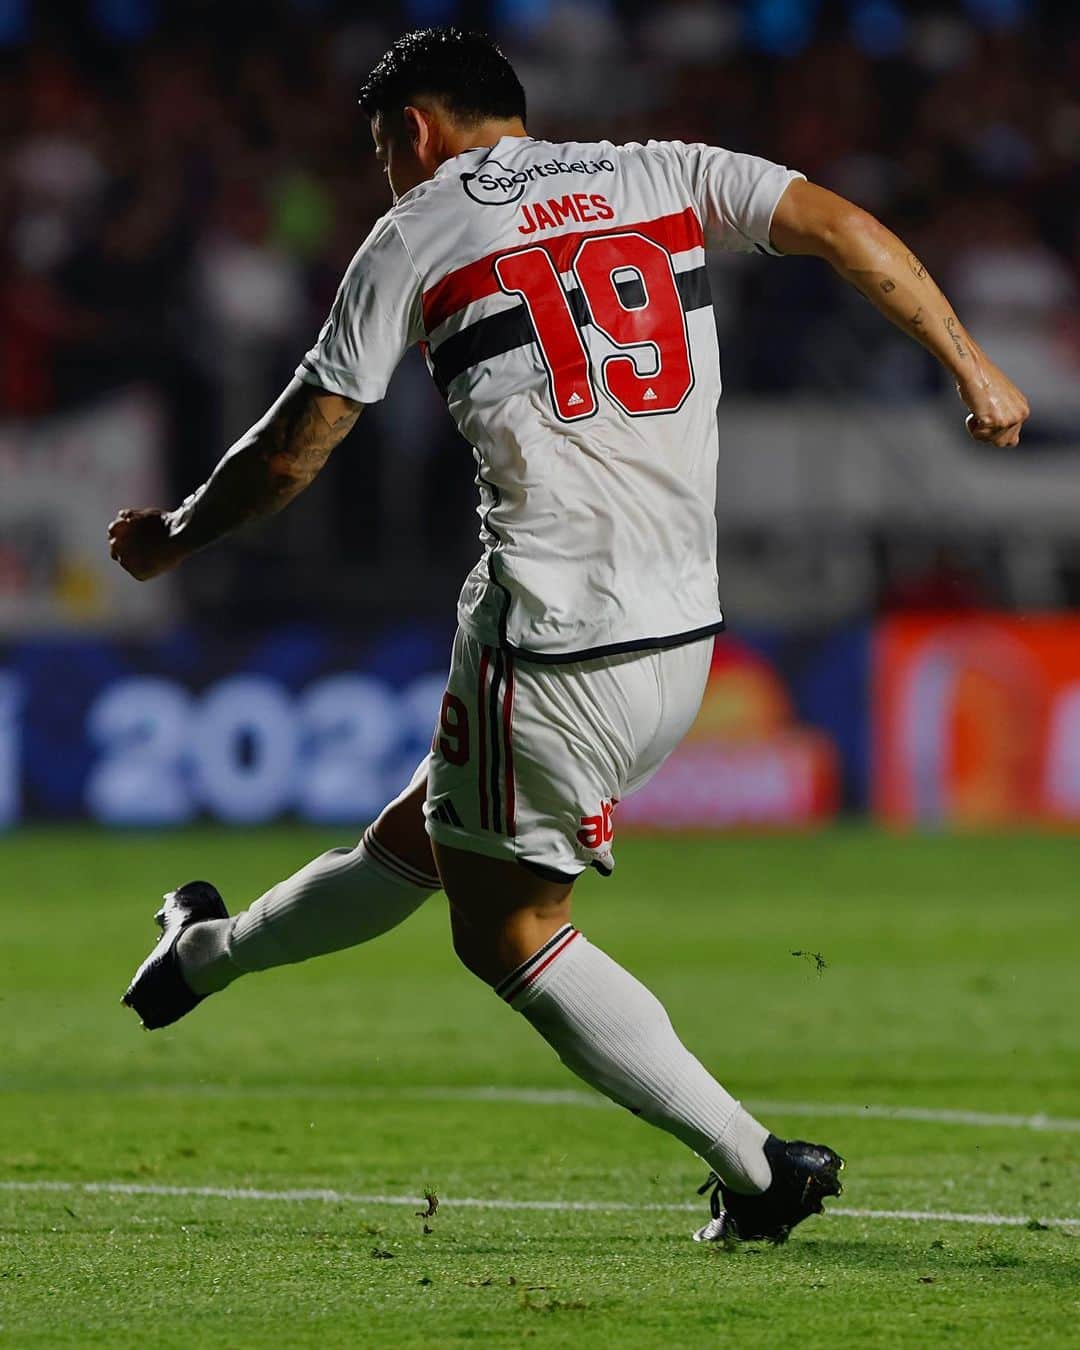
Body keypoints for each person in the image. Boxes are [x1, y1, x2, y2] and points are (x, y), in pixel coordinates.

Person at [109, 27, 1029, 1245]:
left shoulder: (420, 227)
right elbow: (846, 229)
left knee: (507, 929)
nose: (390, 175)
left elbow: (297, 441)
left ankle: (757, 1172)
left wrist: (176, 536)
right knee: (430, 832)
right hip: (685, 641)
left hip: (547, 638)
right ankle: (204, 957)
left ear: (417, 133)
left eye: (387, 152)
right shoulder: (660, 170)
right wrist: (974, 367)